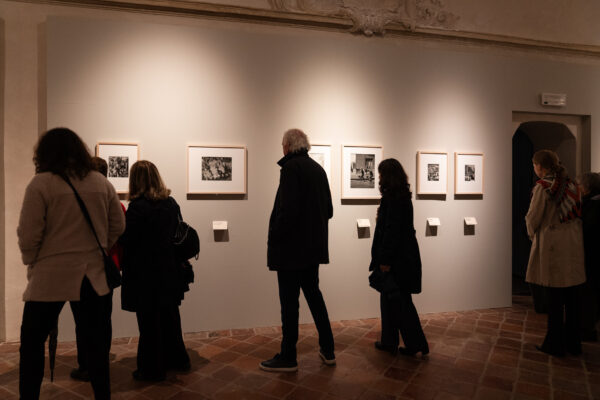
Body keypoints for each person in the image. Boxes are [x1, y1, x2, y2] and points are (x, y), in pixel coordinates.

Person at [17, 127, 125, 399]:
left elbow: (29, 233)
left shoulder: (41, 184)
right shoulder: (101, 183)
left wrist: (33, 260)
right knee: (97, 348)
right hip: (93, 275)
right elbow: (118, 225)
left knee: (31, 347)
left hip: (49, 276)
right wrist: (99, 246)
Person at [261, 128, 335, 372]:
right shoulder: (318, 170)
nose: (281, 149)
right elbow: (329, 211)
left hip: (291, 251)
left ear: (288, 146)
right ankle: (328, 349)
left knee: (289, 304)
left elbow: (288, 212)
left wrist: (277, 237)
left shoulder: (291, 169)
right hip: (312, 250)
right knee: (315, 297)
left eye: (282, 145)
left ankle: (288, 356)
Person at [119, 160, 190, 381]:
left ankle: (152, 369)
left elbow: (128, 241)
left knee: (149, 323)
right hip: (169, 270)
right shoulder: (171, 203)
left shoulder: (137, 208)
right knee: (170, 317)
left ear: (135, 181)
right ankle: (177, 360)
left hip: (145, 274)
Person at [70, 157, 126, 382]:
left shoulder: (76, 200)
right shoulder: (114, 200)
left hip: (80, 268)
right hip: (106, 266)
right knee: (103, 318)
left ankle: (86, 365)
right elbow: (120, 229)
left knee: (82, 320)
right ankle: (100, 362)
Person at [525, 149, 586, 357]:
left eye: (535, 165)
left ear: (540, 166)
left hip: (553, 248)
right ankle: (573, 343)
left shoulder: (543, 188)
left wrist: (532, 235)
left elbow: (533, 218)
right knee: (573, 299)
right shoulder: (573, 185)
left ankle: (554, 343)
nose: (535, 169)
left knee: (554, 299)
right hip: (573, 246)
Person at [370, 158, 429, 357]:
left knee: (400, 302)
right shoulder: (402, 196)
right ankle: (390, 341)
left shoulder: (393, 199)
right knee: (389, 300)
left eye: (381, 175)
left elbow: (391, 231)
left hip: (397, 261)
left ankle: (417, 344)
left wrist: (385, 260)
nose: (379, 178)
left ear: (387, 177)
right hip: (402, 258)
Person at [579, 172, 600, 341]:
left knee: (589, 291)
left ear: (586, 187)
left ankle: (587, 328)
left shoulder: (590, 205)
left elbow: (587, 230)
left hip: (590, 254)